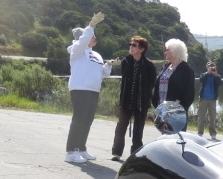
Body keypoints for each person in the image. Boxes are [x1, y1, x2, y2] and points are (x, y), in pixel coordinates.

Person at [65, 13, 111, 163]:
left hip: (93, 90)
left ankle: (81, 148)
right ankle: (71, 152)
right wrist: (91, 26)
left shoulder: (96, 55)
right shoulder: (77, 50)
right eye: (92, 36)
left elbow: (102, 74)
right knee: (79, 119)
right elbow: (83, 41)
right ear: (83, 37)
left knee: (88, 120)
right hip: (80, 88)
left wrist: (108, 65)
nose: (94, 38)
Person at [111, 35, 158, 160]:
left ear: (142, 49)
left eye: (134, 45)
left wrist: (144, 94)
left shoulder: (149, 65)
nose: (131, 47)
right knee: (121, 127)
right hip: (126, 100)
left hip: (141, 102)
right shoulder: (126, 62)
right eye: (130, 44)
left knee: (138, 129)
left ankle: (136, 154)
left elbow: (152, 83)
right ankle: (116, 152)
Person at [152, 38, 195, 130]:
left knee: (176, 138)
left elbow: (189, 95)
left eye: (167, 49)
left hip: (176, 114)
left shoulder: (186, 70)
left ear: (174, 51)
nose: (165, 52)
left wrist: (176, 109)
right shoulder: (165, 67)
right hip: (161, 111)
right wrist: (156, 105)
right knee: (164, 138)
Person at [196, 61, 223, 139]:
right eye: (210, 66)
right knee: (201, 117)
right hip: (203, 99)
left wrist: (216, 75)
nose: (211, 68)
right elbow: (201, 80)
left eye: (213, 66)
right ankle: (200, 133)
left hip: (212, 100)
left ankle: (212, 134)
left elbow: (220, 83)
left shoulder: (217, 76)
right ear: (207, 67)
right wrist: (207, 73)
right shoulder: (203, 75)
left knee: (212, 118)